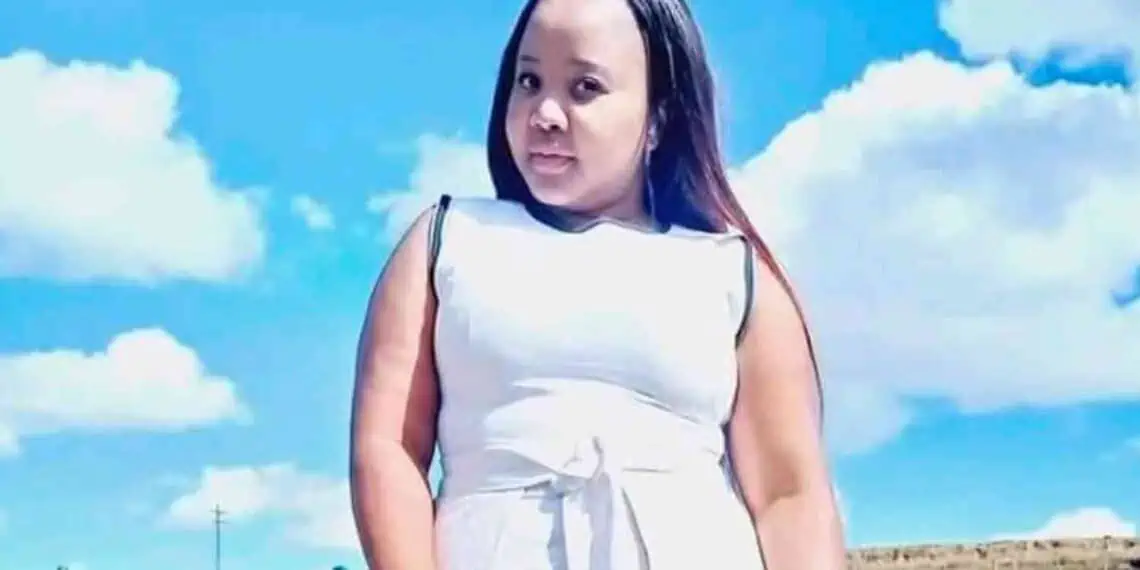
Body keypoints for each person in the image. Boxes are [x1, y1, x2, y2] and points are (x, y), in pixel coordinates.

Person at [349, 0, 847, 568]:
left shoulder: (732, 273)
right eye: (529, 81)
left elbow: (789, 496)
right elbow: (388, 448)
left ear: (658, 118)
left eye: (584, 87)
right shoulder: (447, 242)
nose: (545, 113)